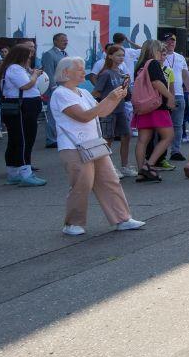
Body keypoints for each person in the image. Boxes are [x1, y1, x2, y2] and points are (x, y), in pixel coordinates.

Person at [49, 57, 145, 237]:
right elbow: (84, 116)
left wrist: (115, 98)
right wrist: (110, 98)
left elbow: (101, 112)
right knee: (82, 184)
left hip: (93, 143)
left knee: (110, 180)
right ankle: (72, 223)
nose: (83, 72)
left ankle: (122, 218)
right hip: (73, 146)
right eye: (79, 69)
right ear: (66, 73)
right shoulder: (60, 94)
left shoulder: (83, 92)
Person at [0, 43, 46, 187]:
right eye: (28, 56)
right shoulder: (15, 68)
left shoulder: (12, 68)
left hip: (22, 106)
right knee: (25, 140)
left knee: (16, 140)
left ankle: (13, 173)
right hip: (23, 107)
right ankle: (26, 173)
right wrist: (35, 75)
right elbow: (26, 85)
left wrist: (31, 72)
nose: (30, 59)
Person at [131, 39, 175, 182]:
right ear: (154, 50)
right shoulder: (153, 63)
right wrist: (170, 96)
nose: (161, 52)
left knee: (142, 140)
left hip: (143, 107)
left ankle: (140, 171)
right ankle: (148, 166)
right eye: (159, 50)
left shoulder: (139, 66)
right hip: (157, 106)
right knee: (168, 136)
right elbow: (156, 82)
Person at [92, 45, 135, 177]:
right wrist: (105, 102)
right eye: (118, 55)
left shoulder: (121, 73)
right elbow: (96, 92)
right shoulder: (106, 73)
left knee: (126, 135)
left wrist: (127, 89)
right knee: (108, 138)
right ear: (110, 56)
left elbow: (126, 95)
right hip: (108, 111)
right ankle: (107, 169)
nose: (121, 58)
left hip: (120, 109)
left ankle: (124, 166)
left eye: (123, 55)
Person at [159, 34, 189, 164]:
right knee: (162, 125)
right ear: (163, 42)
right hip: (162, 94)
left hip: (179, 95)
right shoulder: (159, 56)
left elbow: (185, 75)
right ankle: (160, 153)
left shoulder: (180, 57)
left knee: (178, 125)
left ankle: (175, 151)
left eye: (173, 41)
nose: (171, 43)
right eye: (168, 41)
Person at [40, 32, 69, 148]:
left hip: (65, 88)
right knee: (53, 113)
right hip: (55, 89)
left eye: (66, 40)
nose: (66, 42)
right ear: (55, 41)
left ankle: (61, 137)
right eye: (63, 40)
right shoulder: (49, 54)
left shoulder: (65, 54)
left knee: (64, 113)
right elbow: (49, 72)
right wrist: (53, 87)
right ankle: (51, 139)